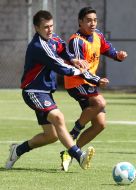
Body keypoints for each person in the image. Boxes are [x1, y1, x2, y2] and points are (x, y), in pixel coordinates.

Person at [5, 10, 108, 170]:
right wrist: (79, 70)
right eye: (46, 27)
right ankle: (78, 155)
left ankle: (17, 150)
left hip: (45, 92)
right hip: (33, 91)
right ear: (36, 28)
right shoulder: (39, 46)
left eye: (51, 26)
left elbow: (63, 51)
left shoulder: (54, 39)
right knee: (58, 117)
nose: (50, 30)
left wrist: (73, 59)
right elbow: (59, 66)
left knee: (51, 136)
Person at [60, 7, 127, 171]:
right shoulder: (76, 41)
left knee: (100, 125)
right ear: (80, 22)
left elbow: (107, 49)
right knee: (99, 102)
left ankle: (69, 152)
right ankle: (74, 133)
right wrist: (98, 80)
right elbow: (81, 70)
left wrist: (117, 55)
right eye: (89, 20)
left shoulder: (98, 36)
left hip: (89, 84)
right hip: (76, 82)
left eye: (95, 20)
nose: (93, 23)